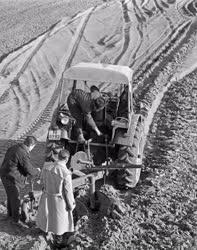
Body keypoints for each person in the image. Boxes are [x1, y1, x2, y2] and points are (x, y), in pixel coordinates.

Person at [36, 149, 75, 247]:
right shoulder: (66, 173)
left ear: (58, 157)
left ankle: (43, 232)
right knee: (59, 222)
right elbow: (67, 191)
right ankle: (58, 242)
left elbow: (41, 181)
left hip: (46, 196)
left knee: (46, 215)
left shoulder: (47, 167)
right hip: (59, 200)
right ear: (67, 159)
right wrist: (70, 205)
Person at [0, 136, 40, 228]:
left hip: (4, 174)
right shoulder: (22, 153)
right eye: (33, 147)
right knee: (16, 198)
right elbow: (28, 168)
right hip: (11, 177)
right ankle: (16, 220)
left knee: (10, 196)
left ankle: (10, 215)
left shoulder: (14, 147)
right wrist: (37, 171)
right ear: (31, 145)